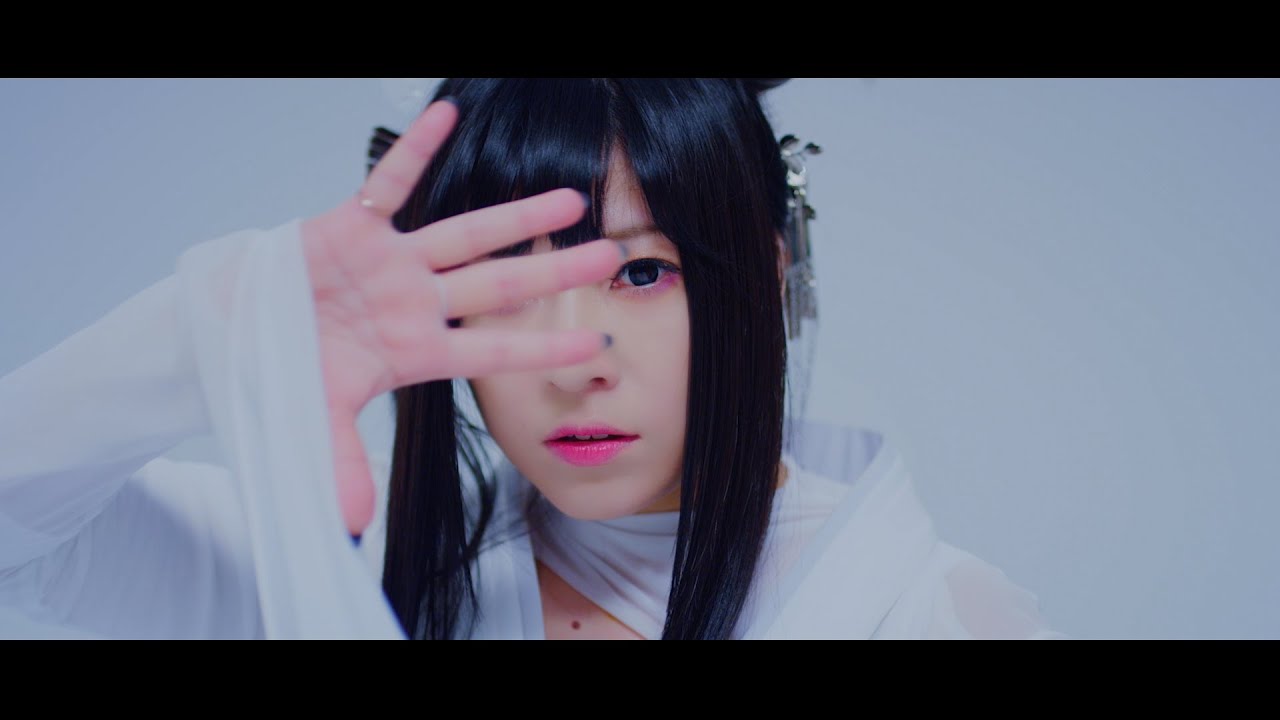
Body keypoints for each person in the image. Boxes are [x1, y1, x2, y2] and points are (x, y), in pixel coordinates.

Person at [0, 78, 1066, 639]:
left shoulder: (928, 614)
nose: (570, 359)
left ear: (767, 272)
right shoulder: (348, 567)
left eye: (640, 272)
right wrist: (219, 326)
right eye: (501, 279)